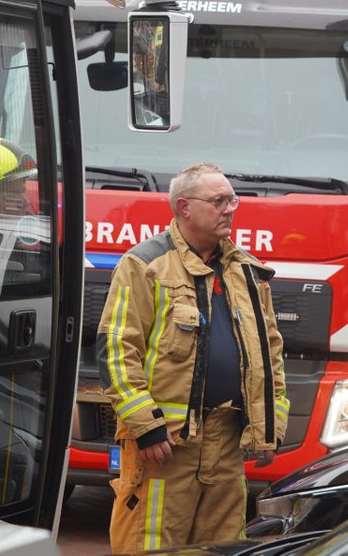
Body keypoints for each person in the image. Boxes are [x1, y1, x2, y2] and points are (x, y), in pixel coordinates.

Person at [97, 162, 288, 552]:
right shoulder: (144, 265)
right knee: (152, 544)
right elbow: (116, 350)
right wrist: (145, 427)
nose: (230, 208)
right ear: (184, 208)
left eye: (232, 199)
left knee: (220, 545)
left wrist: (270, 426)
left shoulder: (246, 271)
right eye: (218, 201)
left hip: (226, 440)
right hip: (165, 444)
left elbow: (271, 353)